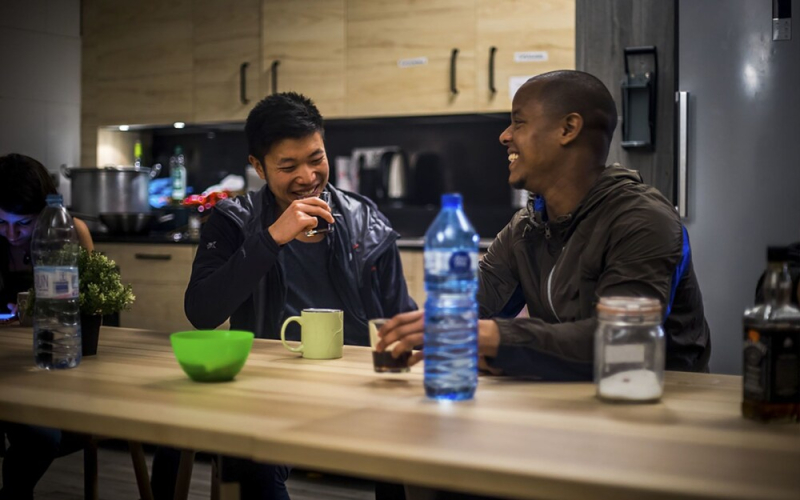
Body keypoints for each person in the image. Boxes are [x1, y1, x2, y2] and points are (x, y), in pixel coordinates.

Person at [150, 92, 416, 500]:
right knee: (216, 449)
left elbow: (402, 317)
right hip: (265, 390)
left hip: (359, 385)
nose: (307, 177)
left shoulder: (366, 221)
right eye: (288, 166)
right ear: (258, 166)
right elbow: (201, 312)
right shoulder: (233, 221)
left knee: (415, 449)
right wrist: (271, 238)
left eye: (316, 159)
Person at [377, 69, 711, 382]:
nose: (504, 136)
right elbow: (476, 307)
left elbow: (622, 340)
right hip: (573, 397)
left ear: (568, 129)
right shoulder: (526, 227)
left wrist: (494, 338)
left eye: (518, 122)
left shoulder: (642, 220)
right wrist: (426, 330)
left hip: (660, 401)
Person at [0, 153, 93, 500]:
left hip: (55, 367)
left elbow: (93, 310)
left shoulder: (69, 232)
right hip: (7, 371)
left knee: (47, 436)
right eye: (1, 222)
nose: (11, 234)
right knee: (39, 436)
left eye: (23, 224)